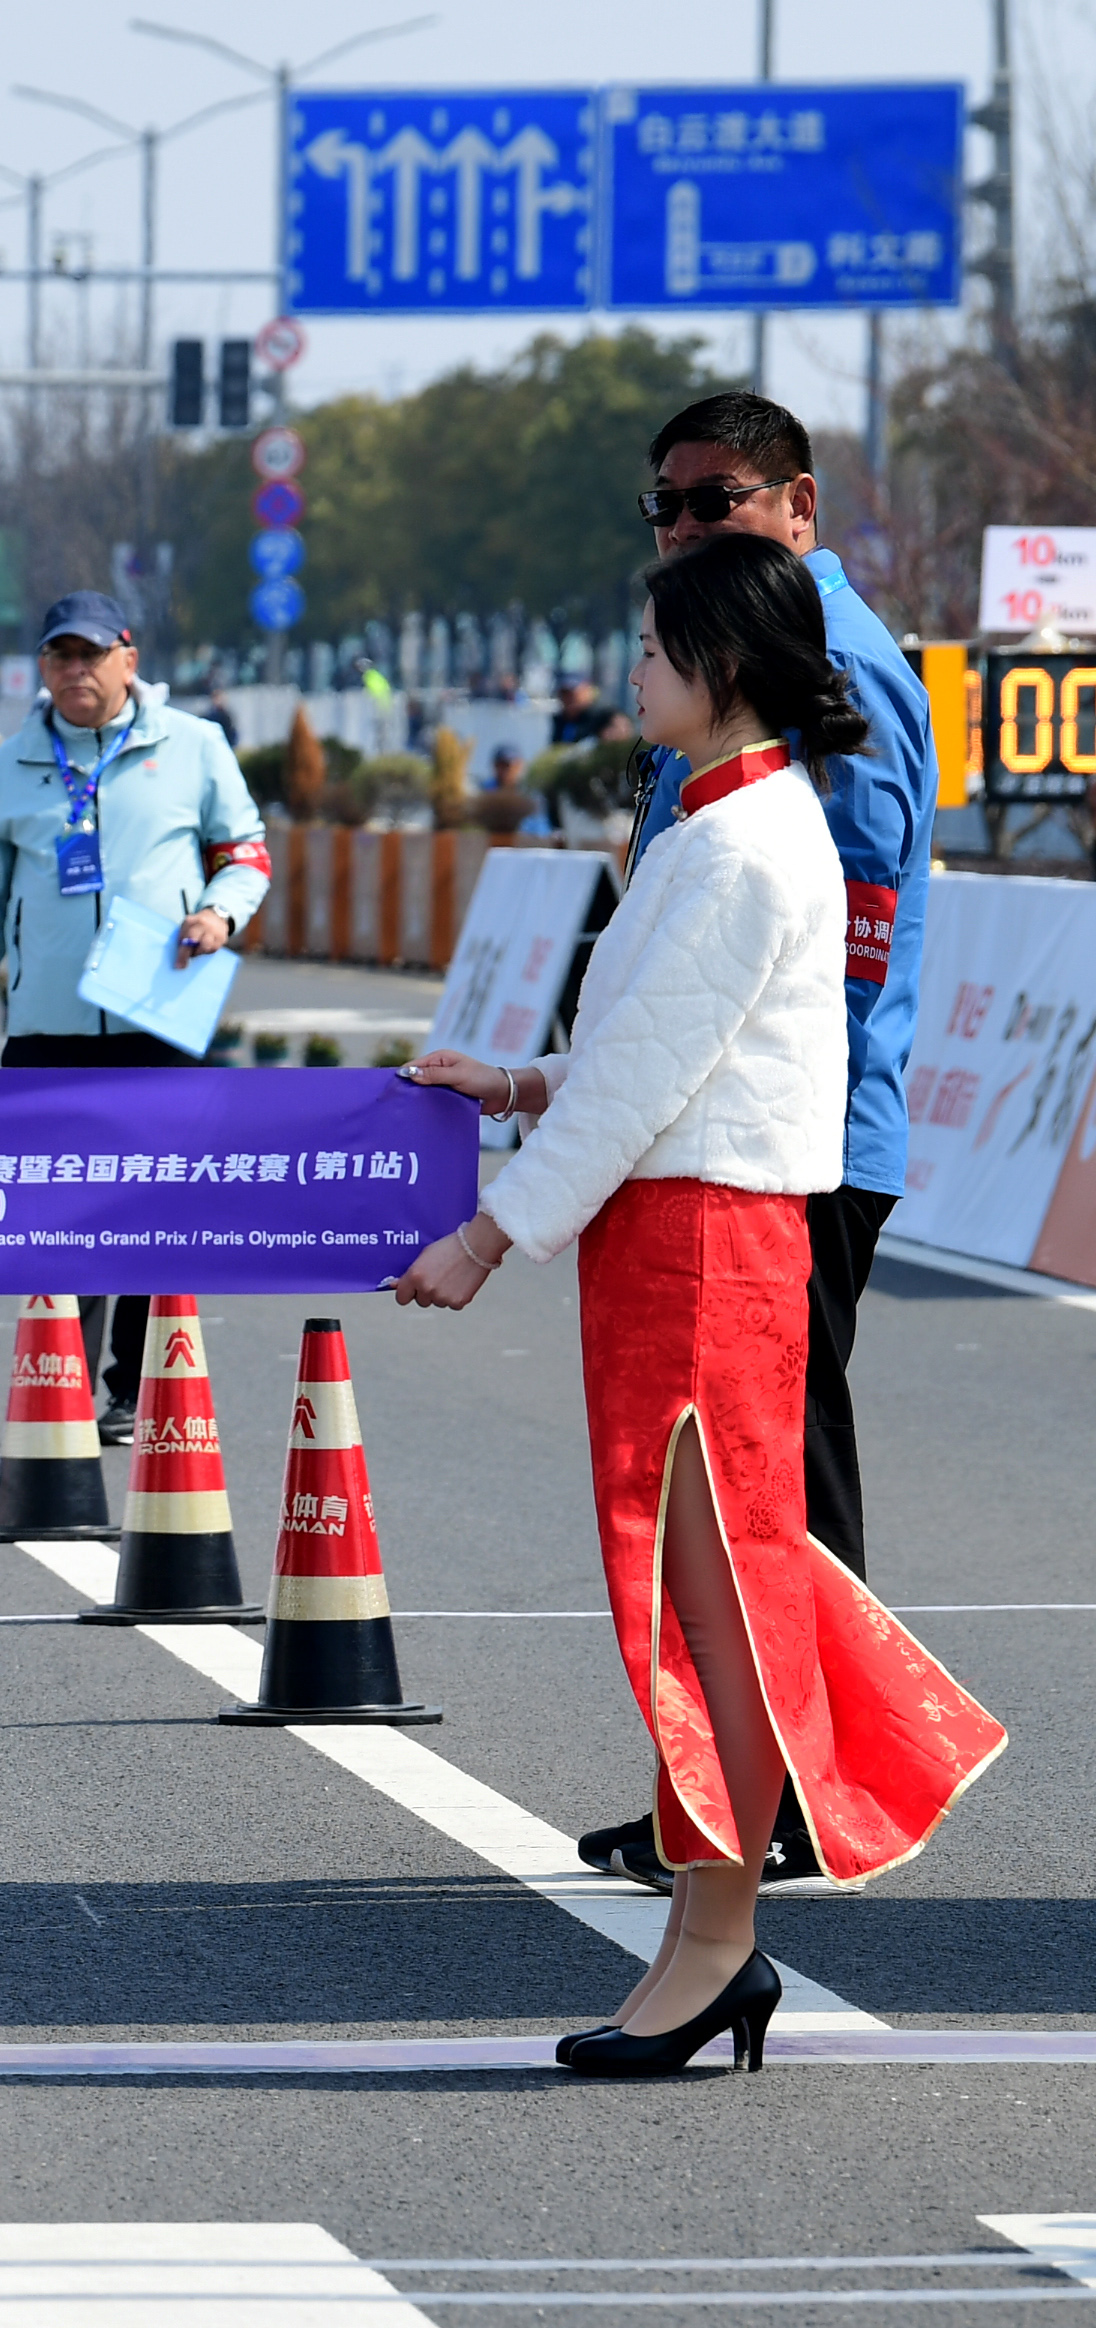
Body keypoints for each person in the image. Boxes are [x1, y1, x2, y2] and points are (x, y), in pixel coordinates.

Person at [392, 533, 1003, 2075]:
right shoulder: (721, 819)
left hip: (710, 1251)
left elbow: (650, 1085)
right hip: (675, 1243)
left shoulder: (746, 841)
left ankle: (720, 1941)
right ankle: (704, 1935)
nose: (633, 675)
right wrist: (515, 1083)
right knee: (699, 1599)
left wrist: (487, 1234)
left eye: (655, 652)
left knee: (715, 1609)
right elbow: (648, 1051)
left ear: (723, 667)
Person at [570, 389, 946, 1897]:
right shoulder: (724, 643)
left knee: (769, 1476)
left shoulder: (824, 659)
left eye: (715, 499)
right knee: (727, 1481)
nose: (683, 527)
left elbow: (840, 939)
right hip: (726, 1132)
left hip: (788, 1141)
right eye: (663, 505)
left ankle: (786, 1790)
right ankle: (737, 1783)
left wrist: (758, 1108)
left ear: (798, 506)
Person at [0, 591, 269, 1438]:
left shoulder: (193, 745)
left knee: (156, 1213)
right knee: (57, 1213)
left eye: (90, 654)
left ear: (128, 658)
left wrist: (219, 913)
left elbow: (246, 853)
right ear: (42, 667)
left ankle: (136, 1387)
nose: (75, 670)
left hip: (159, 1019)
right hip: (48, 1027)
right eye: (60, 656)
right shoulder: (11, 765)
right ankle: (62, 1384)